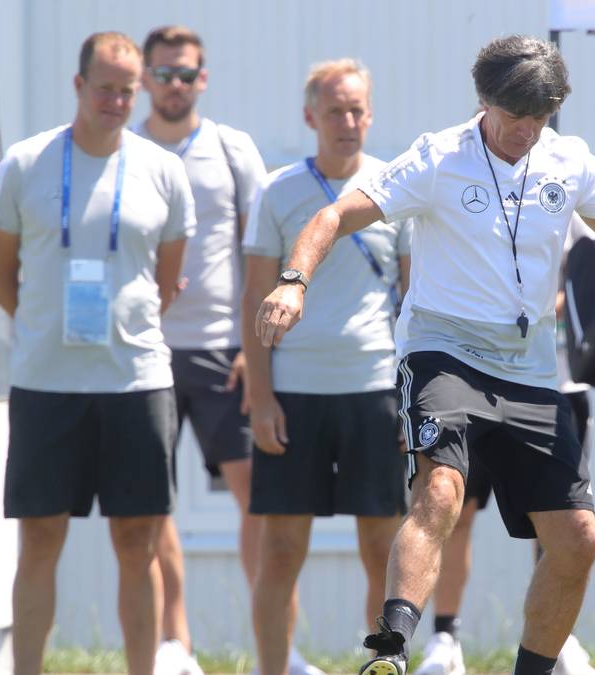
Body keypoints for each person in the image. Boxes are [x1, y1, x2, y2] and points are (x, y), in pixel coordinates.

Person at [254, 34, 595, 675]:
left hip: (531, 370)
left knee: (578, 540)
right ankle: (392, 651)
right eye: (515, 117)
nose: (527, 132)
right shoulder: (437, 157)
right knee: (443, 490)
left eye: (541, 117)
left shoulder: (571, 161)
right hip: (443, 352)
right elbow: (332, 218)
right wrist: (293, 281)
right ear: (485, 101)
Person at [0, 32, 195, 675]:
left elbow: (165, 280)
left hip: (136, 382)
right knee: (40, 538)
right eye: (105, 87)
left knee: (139, 542)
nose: (116, 100)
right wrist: (50, 327)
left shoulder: (162, 168)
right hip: (47, 382)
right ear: (78, 86)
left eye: (128, 90)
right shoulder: (25, 163)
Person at [131, 25, 318, 675]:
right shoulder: (124, 150)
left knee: (259, 503)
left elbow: (259, 247)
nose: (174, 85)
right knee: (150, 505)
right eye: (162, 74)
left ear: (202, 79)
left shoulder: (230, 148)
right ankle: (175, 644)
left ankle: (279, 650)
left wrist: (254, 345)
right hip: (142, 351)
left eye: (186, 74)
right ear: (142, 80)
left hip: (222, 350)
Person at [240, 58, 410, 675]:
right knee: (281, 552)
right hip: (296, 394)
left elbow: (415, 305)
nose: (348, 121)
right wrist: (261, 399)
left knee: (382, 551)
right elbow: (255, 301)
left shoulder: (397, 185)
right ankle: (271, 668)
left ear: (371, 114)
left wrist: (411, 404)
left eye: (358, 109)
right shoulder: (278, 189)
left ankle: (382, 667)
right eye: (336, 110)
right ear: (310, 116)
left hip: (374, 393)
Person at [413, 214, 595, 675]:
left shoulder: (570, 199)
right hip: (474, 382)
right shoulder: (473, 192)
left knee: (559, 523)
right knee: (456, 507)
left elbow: (590, 280)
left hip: (557, 385)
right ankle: (445, 638)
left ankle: (559, 644)